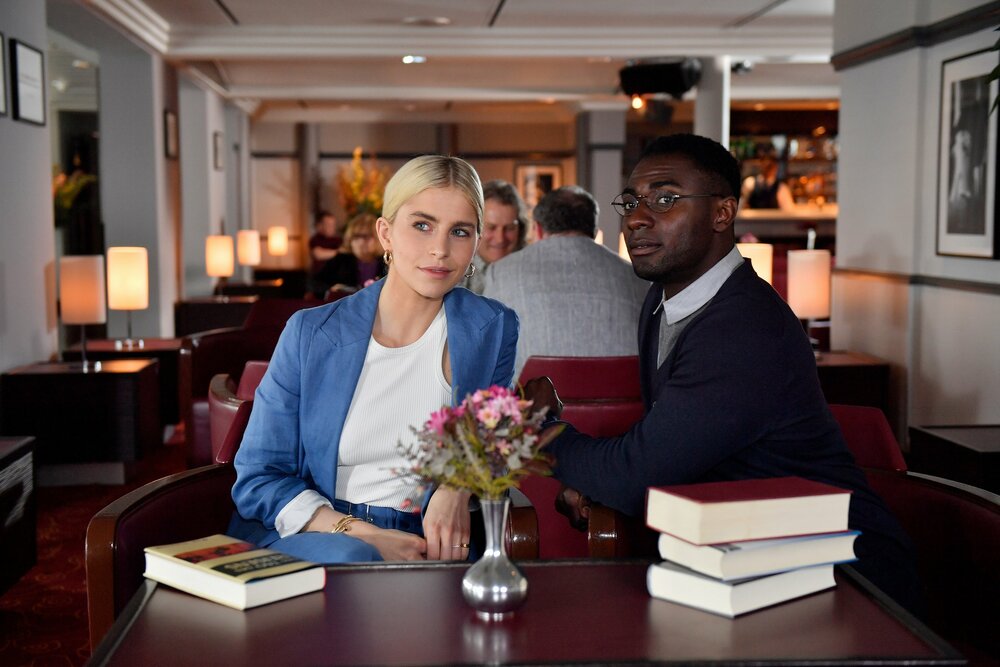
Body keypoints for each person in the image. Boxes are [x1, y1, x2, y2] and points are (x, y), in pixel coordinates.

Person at [526, 134, 922, 614]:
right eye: (630, 202)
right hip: (741, 558)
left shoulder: (742, 327)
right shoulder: (661, 301)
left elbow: (636, 473)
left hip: (841, 574)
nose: (636, 218)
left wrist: (541, 430)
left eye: (664, 199)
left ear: (722, 212)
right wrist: (597, 480)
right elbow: (668, 448)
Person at [231, 155, 519, 565]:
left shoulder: (492, 328)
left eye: (459, 231)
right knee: (355, 559)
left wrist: (457, 486)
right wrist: (366, 536)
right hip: (324, 532)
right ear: (386, 233)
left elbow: (493, 436)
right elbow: (259, 477)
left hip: (433, 541)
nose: (439, 250)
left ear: (476, 242)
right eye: (422, 225)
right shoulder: (310, 332)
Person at [483, 185, 648, 378]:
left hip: (528, 396)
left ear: (538, 229)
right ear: (594, 231)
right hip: (623, 395)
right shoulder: (637, 276)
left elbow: (487, 353)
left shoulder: (500, 272)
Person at [462, 179, 528, 294]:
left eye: (509, 228)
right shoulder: (454, 269)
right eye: (491, 227)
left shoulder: (533, 269)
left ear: (521, 229)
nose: (500, 239)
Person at [310, 213, 386, 299]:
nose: (360, 242)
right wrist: (332, 289)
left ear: (378, 238)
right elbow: (315, 284)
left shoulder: (386, 261)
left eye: (366, 236)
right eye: (356, 236)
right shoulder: (341, 260)